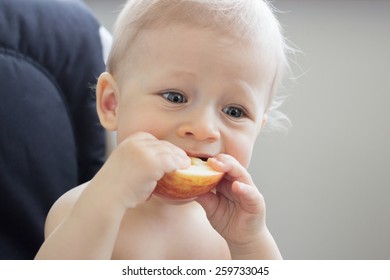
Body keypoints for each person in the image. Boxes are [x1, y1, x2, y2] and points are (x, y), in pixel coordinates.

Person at [35, 0, 290, 260]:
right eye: (175, 97)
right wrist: (107, 197)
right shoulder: (80, 209)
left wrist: (249, 242)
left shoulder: (231, 233)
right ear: (112, 104)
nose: (203, 129)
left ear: (257, 130)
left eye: (234, 112)